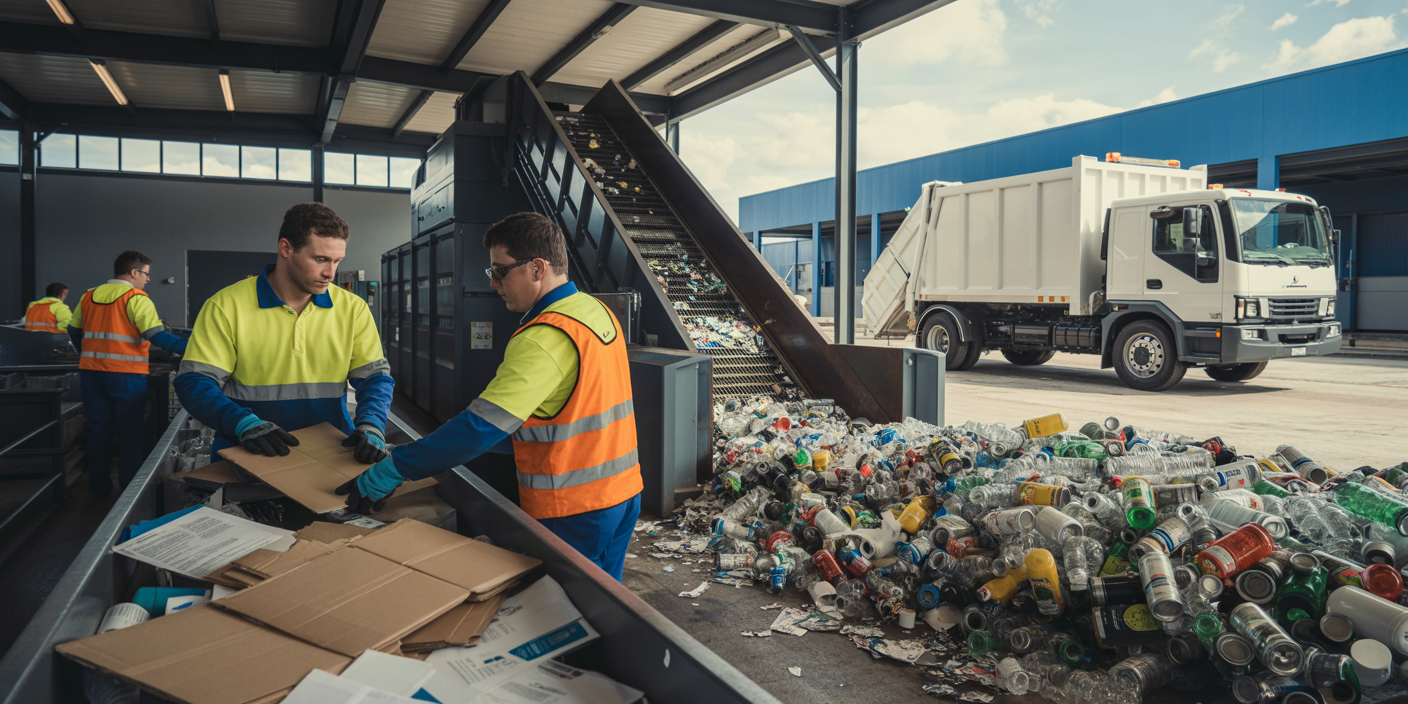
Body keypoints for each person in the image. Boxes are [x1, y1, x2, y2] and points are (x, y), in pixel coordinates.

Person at [338, 213, 642, 580]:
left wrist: (396, 466)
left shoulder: (545, 335)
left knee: (566, 610)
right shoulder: (594, 310)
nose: (495, 283)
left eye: (499, 271)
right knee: (606, 607)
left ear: (537, 268)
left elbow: (479, 429)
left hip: (575, 507)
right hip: (623, 492)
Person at [174, 203, 393, 467]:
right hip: (247, 457)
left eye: (337, 261)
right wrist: (242, 422)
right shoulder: (226, 306)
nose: (330, 273)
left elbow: (374, 378)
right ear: (286, 248)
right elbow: (195, 382)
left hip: (329, 458)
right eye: (320, 259)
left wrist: (371, 423)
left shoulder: (352, 308)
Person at [69, 251, 188, 495]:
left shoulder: (88, 296)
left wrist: (88, 353)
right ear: (134, 272)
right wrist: (193, 349)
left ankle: (98, 487)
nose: (147, 280)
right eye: (146, 274)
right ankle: (129, 489)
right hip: (126, 375)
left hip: (91, 374)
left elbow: (73, 331)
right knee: (130, 431)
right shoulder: (136, 297)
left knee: (97, 430)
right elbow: (156, 335)